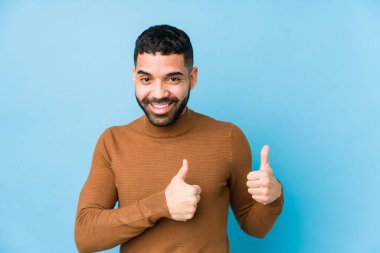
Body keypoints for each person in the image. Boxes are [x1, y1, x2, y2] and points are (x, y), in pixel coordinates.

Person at [74, 24, 284, 253]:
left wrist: (272, 197)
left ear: (192, 78)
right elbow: (86, 236)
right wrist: (161, 205)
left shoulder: (228, 138)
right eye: (146, 80)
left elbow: (255, 227)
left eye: (172, 79)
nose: (158, 93)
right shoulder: (113, 142)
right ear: (134, 76)